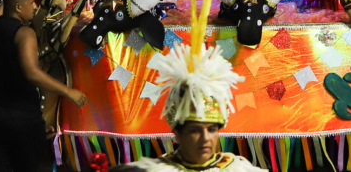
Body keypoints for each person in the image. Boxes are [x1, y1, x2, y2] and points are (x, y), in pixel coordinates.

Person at [0, 0, 88, 172]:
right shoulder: (24, 33)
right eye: (32, 2)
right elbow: (32, 72)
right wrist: (68, 91)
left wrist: (8, 0)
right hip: (21, 118)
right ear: (18, 7)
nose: (36, 7)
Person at [108, 39, 263, 172]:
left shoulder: (237, 168)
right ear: (178, 134)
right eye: (195, 131)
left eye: (211, 129)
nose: (205, 138)